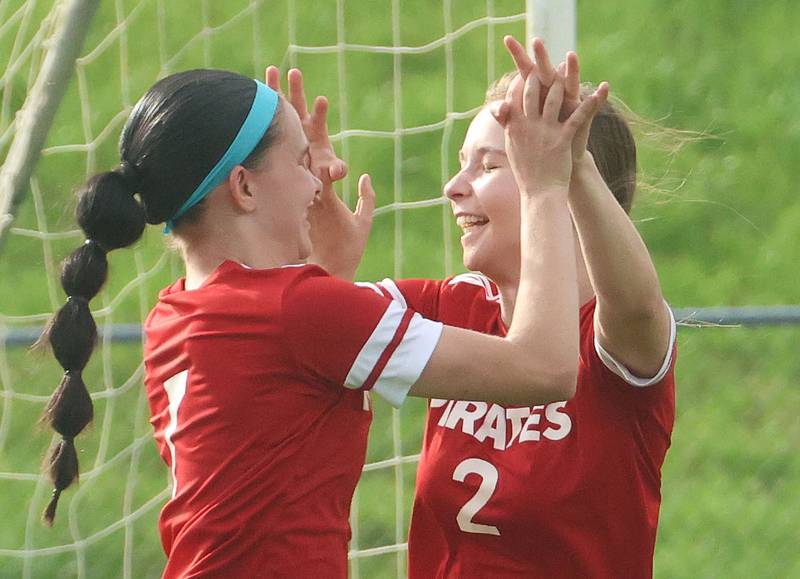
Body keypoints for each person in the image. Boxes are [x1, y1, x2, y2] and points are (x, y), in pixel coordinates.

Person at [38, 65, 607, 577]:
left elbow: (284, 397)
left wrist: (327, 268)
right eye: (301, 162)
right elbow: (546, 369)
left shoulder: (175, 313)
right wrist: (544, 186)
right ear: (244, 186)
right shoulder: (297, 310)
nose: (317, 183)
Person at [379, 38, 675, 578]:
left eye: (489, 166)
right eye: (461, 165)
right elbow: (311, 326)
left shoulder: (614, 339)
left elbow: (636, 308)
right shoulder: (452, 308)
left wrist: (571, 165)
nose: (453, 187)